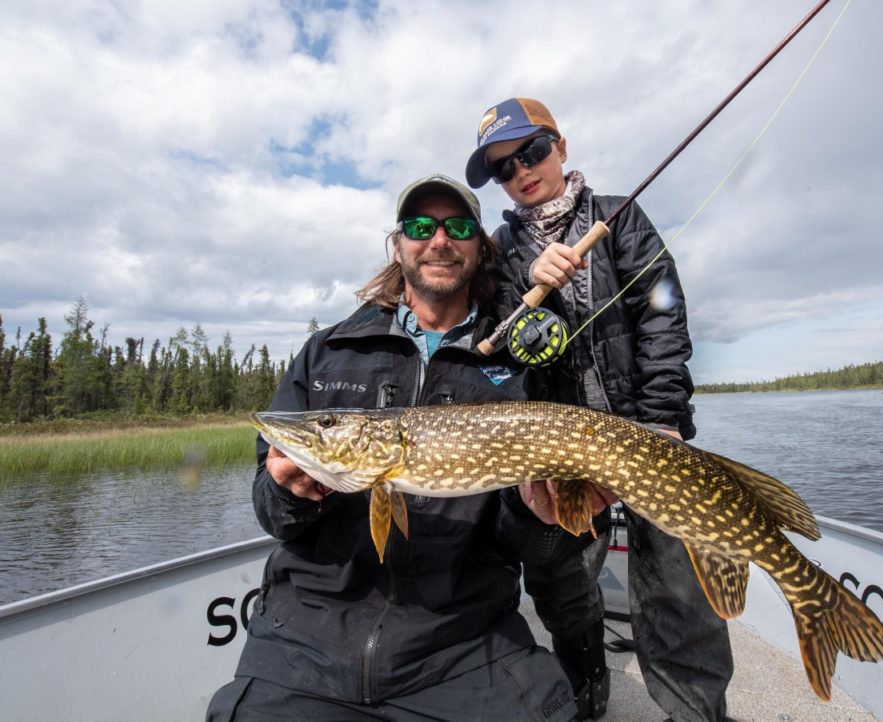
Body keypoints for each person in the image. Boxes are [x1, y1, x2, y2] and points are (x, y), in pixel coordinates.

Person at [207, 173, 611, 722]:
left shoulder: (522, 366)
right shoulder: (327, 351)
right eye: (421, 226)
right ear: (398, 245)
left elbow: (534, 549)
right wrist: (291, 494)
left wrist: (540, 513)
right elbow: (272, 513)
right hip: (306, 640)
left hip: (464, 646)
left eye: (458, 226)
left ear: (479, 246)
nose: (439, 240)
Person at [466, 98, 734, 722]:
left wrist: (664, 415)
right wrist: (526, 281)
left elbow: (663, 311)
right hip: (559, 451)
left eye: (530, 153)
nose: (522, 172)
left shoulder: (620, 216)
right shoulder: (502, 250)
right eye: (504, 168)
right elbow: (495, 342)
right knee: (565, 588)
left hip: (645, 432)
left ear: (560, 146)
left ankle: (695, 711)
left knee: (677, 586)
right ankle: (584, 696)